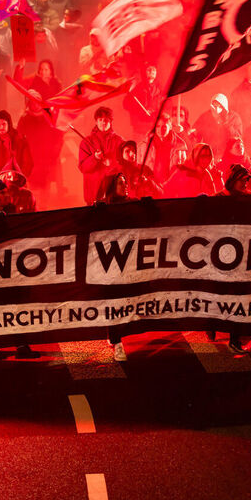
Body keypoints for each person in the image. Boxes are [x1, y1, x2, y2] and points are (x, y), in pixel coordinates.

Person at [94, 172, 131, 362]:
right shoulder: (102, 207)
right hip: (109, 263)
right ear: (110, 186)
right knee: (113, 300)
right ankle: (117, 341)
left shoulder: (133, 204)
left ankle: (114, 334)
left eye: (125, 182)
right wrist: (96, 212)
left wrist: (150, 207)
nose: (125, 186)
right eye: (120, 183)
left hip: (129, 261)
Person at [77, 106, 122, 204]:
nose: (103, 122)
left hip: (114, 193)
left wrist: (112, 163)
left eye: (106, 120)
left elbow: (124, 165)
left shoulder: (119, 141)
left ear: (111, 121)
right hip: (94, 194)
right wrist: (95, 158)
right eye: (100, 119)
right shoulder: (86, 142)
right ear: (96, 122)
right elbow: (83, 167)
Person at [0, 110, 32, 186]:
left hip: (14, 180)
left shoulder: (19, 140)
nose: (1, 127)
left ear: (9, 124)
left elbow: (27, 163)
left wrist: (20, 178)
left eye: (3, 124)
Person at [193, 93, 244, 157]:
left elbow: (237, 137)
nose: (217, 109)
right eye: (214, 106)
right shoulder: (205, 116)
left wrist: (225, 123)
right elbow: (197, 132)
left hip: (228, 154)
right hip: (210, 153)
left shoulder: (234, 117)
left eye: (220, 107)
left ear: (224, 106)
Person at [124, 64, 162, 129]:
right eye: (149, 69)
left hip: (153, 125)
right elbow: (126, 104)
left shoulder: (159, 90)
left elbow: (160, 105)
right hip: (140, 124)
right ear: (144, 72)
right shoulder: (137, 88)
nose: (151, 71)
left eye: (154, 69)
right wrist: (141, 110)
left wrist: (154, 113)